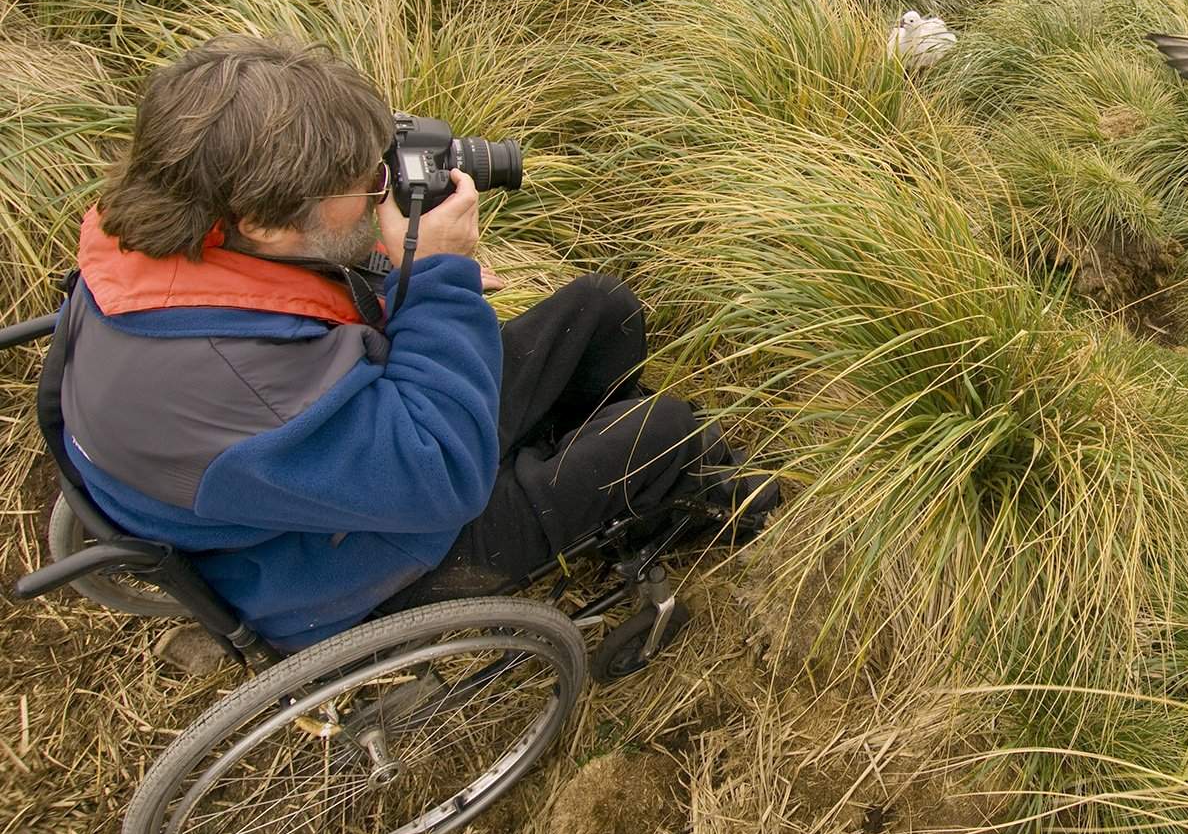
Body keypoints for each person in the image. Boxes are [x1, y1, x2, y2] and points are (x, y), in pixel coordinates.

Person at [55, 35, 775, 651]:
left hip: (323, 474)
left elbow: (280, 313)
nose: (385, 189)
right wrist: (435, 274)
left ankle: (598, 479)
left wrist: (392, 275)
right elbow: (442, 480)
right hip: (359, 557)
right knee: (666, 430)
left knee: (600, 309)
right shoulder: (241, 387)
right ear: (268, 218)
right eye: (367, 183)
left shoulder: (157, 243)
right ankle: (736, 512)